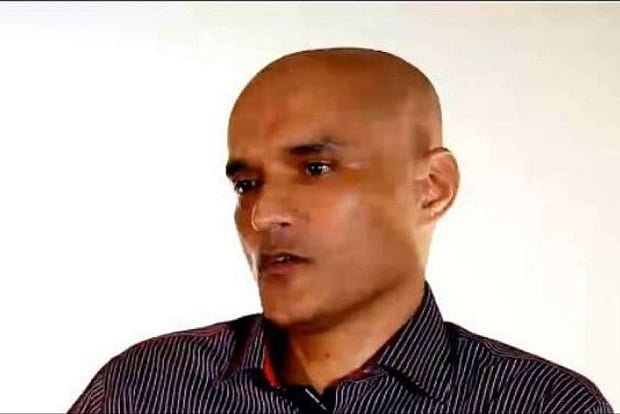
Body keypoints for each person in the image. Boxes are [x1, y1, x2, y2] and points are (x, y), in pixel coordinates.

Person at [69, 48, 613, 414]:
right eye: (247, 184)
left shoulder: (541, 404)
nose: (263, 214)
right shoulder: (146, 390)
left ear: (432, 188)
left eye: (315, 169)